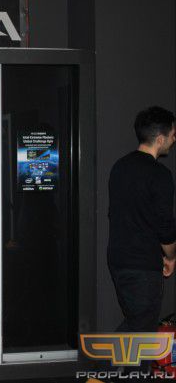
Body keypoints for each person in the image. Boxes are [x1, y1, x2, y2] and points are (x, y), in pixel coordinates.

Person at [107, 106, 176, 374]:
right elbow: (165, 226)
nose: (174, 139)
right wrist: (170, 256)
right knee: (142, 331)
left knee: (137, 324)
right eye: (172, 134)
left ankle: (108, 373)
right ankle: (103, 370)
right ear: (160, 138)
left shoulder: (120, 167)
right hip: (143, 265)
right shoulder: (160, 175)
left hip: (118, 259)